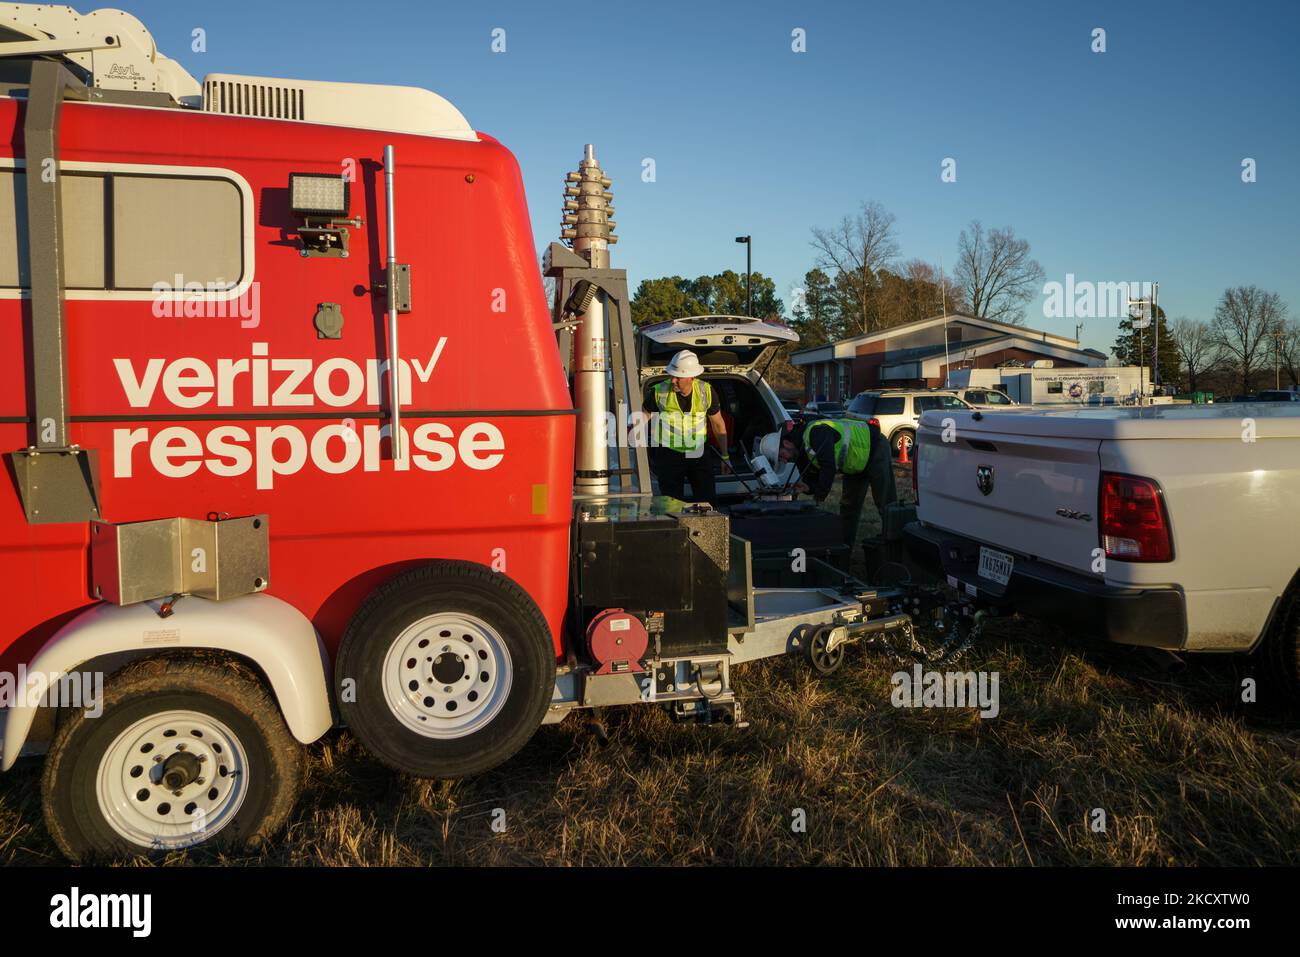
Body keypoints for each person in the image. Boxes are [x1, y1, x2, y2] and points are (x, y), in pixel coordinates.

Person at [777, 416, 896, 556]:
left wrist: (819, 497)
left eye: (781, 456)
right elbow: (813, 476)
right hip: (854, 465)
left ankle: (895, 550)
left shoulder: (816, 432)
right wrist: (808, 488)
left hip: (875, 448)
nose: (784, 461)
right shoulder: (801, 452)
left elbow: (828, 466)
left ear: (787, 443)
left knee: (886, 504)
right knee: (848, 508)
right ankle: (844, 552)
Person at [645, 350, 729, 502]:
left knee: (706, 502)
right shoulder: (658, 391)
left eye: (678, 377)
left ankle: (705, 526)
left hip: (698, 452)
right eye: (672, 375)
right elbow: (642, 418)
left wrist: (725, 456)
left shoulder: (706, 391)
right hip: (669, 453)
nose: (673, 380)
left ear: (691, 377)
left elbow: (718, 425)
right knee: (671, 505)